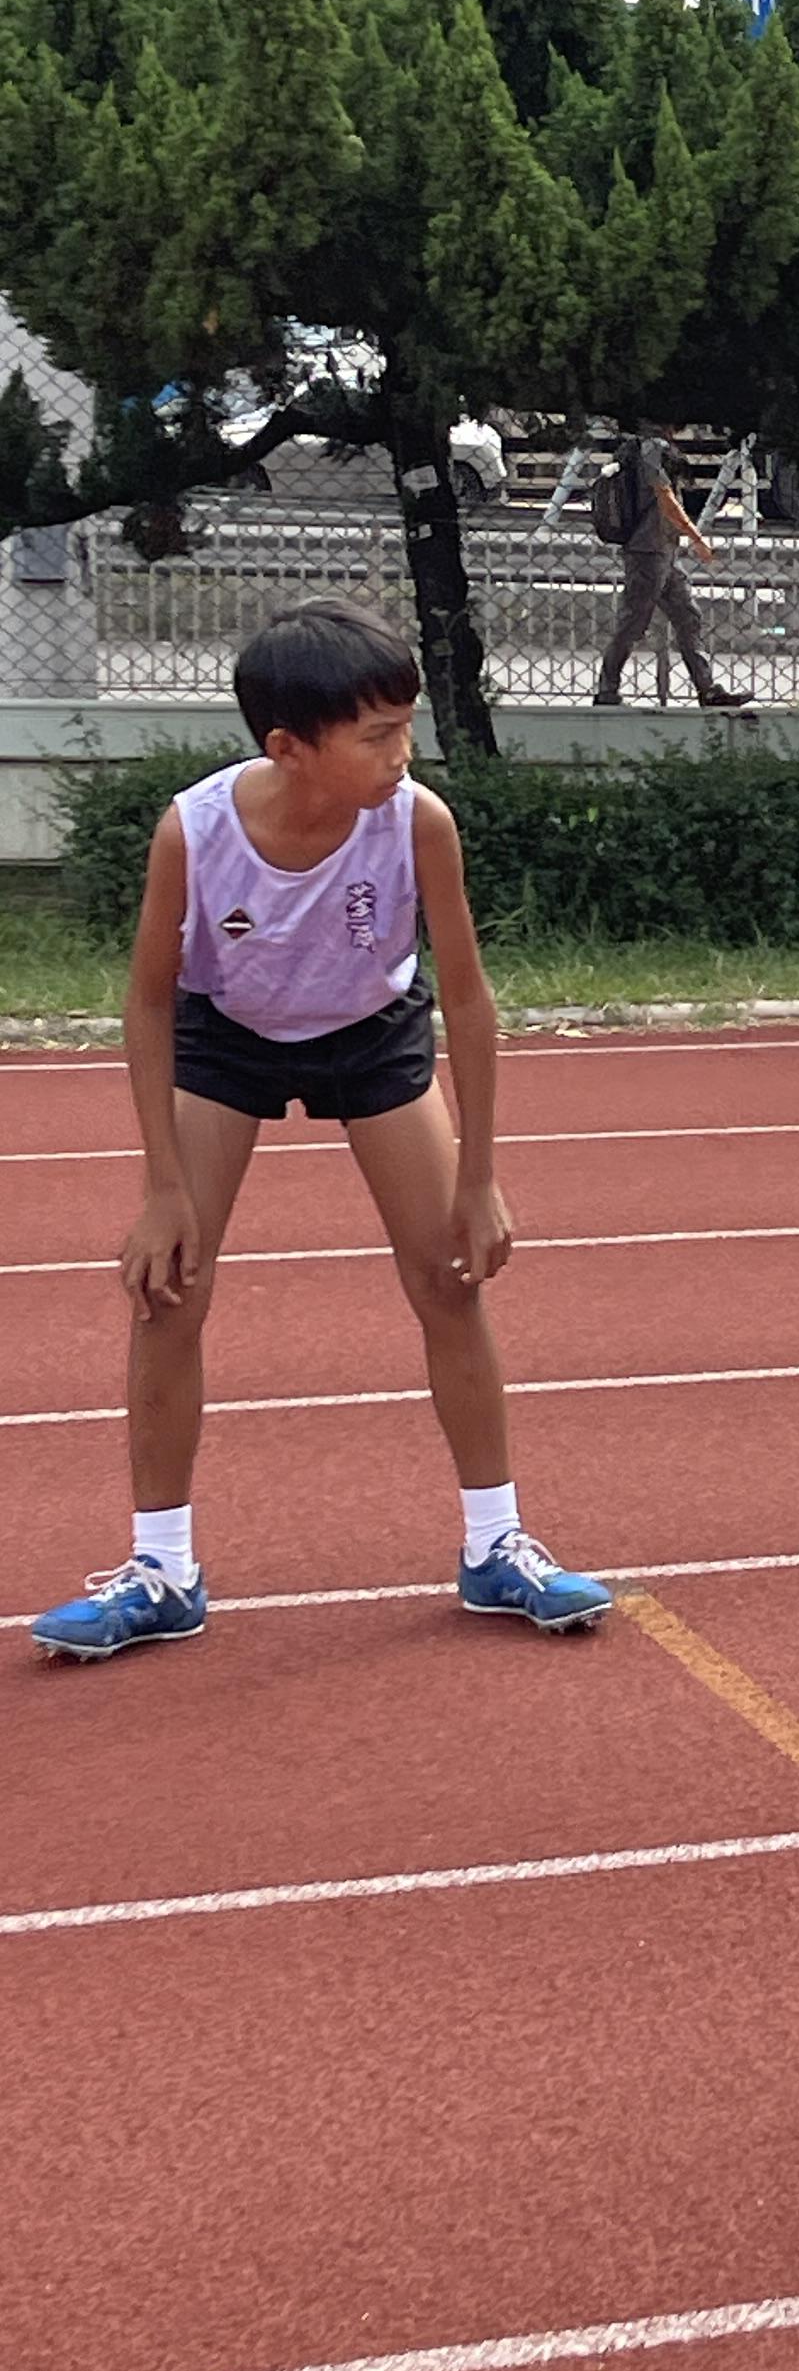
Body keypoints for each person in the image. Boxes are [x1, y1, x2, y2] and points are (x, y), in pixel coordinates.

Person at [31, 602, 613, 1662]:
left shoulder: (417, 822)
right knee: (169, 1288)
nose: (403, 754)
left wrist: (479, 1177)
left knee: (450, 1281)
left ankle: (496, 1545)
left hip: (370, 1034)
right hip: (229, 1038)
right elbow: (149, 1002)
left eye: (407, 727)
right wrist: (161, 1187)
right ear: (289, 747)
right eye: (378, 735)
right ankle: (163, 1570)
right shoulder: (194, 831)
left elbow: (468, 998)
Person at [591, 428, 753, 709]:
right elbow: (664, 496)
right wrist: (696, 537)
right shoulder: (651, 448)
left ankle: (707, 689)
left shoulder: (649, 447)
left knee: (688, 617)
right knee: (633, 623)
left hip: (664, 550)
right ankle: (607, 690)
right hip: (647, 551)